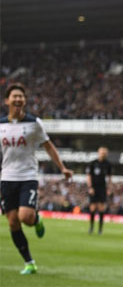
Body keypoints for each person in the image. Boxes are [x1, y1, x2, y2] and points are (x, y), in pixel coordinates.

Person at [0, 83, 73, 274]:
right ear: (7, 101)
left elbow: (48, 146)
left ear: (24, 100)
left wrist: (62, 168)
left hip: (27, 177)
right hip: (7, 178)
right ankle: (29, 262)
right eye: (14, 96)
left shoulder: (34, 123)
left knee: (25, 217)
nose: (18, 99)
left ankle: (36, 219)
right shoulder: (1, 125)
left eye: (21, 97)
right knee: (13, 222)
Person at [86, 146, 111, 235]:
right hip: (94, 187)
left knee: (101, 208)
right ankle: (91, 227)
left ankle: (100, 229)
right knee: (92, 208)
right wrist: (90, 187)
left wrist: (109, 188)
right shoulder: (93, 163)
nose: (103, 154)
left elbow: (109, 177)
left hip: (102, 188)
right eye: (102, 152)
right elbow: (88, 176)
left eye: (105, 153)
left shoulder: (108, 164)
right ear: (98, 153)